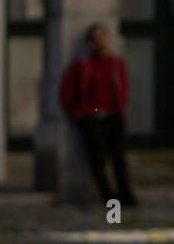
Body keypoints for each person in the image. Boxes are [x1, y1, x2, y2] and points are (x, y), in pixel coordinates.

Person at [59, 23, 137, 206]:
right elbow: (66, 93)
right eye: (95, 39)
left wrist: (119, 110)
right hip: (90, 116)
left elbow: (123, 90)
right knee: (98, 158)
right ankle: (109, 198)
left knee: (119, 158)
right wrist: (78, 114)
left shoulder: (116, 64)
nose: (99, 42)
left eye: (102, 37)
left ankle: (126, 195)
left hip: (112, 115)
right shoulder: (83, 65)